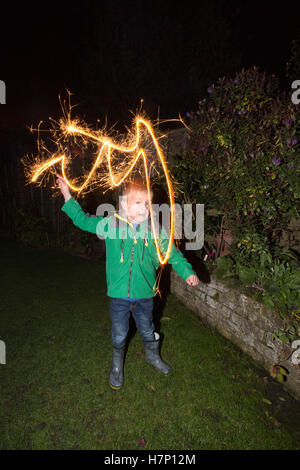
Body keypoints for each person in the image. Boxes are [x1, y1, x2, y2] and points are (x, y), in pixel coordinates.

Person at [56, 175, 199, 390]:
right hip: (119, 295)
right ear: (124, 204)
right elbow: (83, 220)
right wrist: (67, 193)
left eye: (147, 204)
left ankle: (152, 356)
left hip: (144, 295)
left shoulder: (154, 230)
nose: (144, 209)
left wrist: (187, 271)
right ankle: (116, 363)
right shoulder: (111, 225)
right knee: (120, 332)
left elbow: (173, 254)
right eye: (138, 203)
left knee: (148, 329)